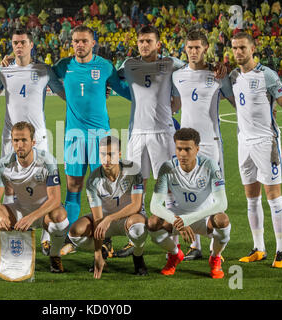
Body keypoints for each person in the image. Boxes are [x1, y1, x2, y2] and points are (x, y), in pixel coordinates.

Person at [51, 25, 131, 255]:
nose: (79, 44)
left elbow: (124, 89)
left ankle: (105, 237)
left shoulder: (105, 66)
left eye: (84, 41)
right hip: (74, 137)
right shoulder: (64, 66)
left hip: (100, 138)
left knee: (103, 189)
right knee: (73, 188)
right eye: (76, 40)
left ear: (93, 43)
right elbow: (42, 73)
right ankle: (70, 237)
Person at [0, 29, 66, 255]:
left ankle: (45, 235)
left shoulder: (43, 70)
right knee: (10, 184)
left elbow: (64, 93)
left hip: (38, 136)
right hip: (10, 136)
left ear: (31, 44)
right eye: (15, 42)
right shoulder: (3, 70)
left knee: (42, 183)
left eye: (23, 42)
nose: (18, 46)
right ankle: (13, 233)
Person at [118, 25, 185, 257]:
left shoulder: (170, 64)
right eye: (141, 41)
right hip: (136, 133)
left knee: (167, 186)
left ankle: (173, 241)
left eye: (149, 41)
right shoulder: (128, 65)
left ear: (158, 44)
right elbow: (111, 76)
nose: (144, 45)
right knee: (136, 186)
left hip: (162, 133)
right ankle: (136, 235)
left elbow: (192, 69)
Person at [230, 32, 282, 268]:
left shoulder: (267, 75)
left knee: (274, 198)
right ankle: (259, 248)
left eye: (242, 48)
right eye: (235, 48)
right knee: (251, 199)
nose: (238, 52)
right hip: (243, 143)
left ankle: (281, 251)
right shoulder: (234, 76)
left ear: (252, 48)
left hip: (266, 143)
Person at [171, 29, 235, 261]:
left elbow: (234, 100)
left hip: (210, 143)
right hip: (186, 145)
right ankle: (194, 247)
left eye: (198, 47)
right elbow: (171, 103)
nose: (193, 51)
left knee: (214, 194)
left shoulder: (218, 74)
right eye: (190, 47)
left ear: (206, 48)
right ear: (185, 49)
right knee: (186, 192)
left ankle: (215, 247)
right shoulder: (177, 75)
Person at [0, 122, 70, 273]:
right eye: (16, 140)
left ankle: (55, 256)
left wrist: (31, 217)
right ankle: (6, 253)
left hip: (43, 211)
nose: (20, 145)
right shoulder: (3, 164)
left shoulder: (47, 161)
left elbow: (55, 199)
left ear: (33, 142)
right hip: (21, 209)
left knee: (60, 218)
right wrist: (2, 216)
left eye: (24, 140)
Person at [148, 128, 231, 279]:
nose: (183, 154)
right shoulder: (167, 168)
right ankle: (174, 254)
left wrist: (189, 219)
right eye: (179, 149)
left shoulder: (210, 165)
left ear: (197, 149)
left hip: (204, 218)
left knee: (223, 220)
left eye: (188, 149)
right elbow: (154, 205)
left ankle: (215, 257)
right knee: (153, 223)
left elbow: (222, 204)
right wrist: (177, 220)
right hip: (179, 218)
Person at [68, 136, 148, 279]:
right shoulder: (93, 179)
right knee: (75, 232)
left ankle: (138, 256)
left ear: (120, 154)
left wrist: (110, 218)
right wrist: (97, 253)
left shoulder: (133, 170)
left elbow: (136, 206)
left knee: (138, 227)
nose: (107, 159)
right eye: (103, 154)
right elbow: (98, 217)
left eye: (111, 154)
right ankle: (103, 251)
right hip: (104, 221)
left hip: (128, 218)